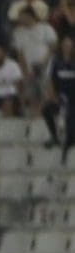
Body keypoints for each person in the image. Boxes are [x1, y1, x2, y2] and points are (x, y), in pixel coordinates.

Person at [42, 35, 75, 164]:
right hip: (61, 97)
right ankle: (54, 136)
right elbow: (50, 80)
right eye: (64, 44)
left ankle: (66, 149)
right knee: (46, 109)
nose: (67, 47)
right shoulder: (56, 61)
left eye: (69, 44)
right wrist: (53, 96)